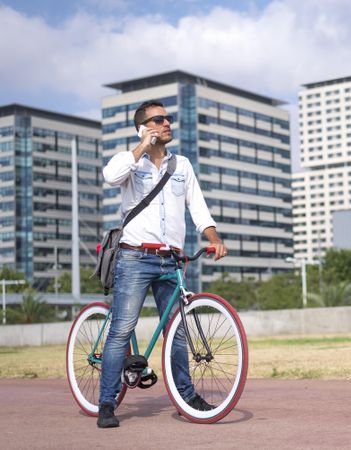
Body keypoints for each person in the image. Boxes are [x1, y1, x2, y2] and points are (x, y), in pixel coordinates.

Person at [97, 100, 228, 428]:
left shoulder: (181, 165)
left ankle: (186, 396)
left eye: (168, 118)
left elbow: (198, 208)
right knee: (121, 330)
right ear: (144, 127)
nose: (167, 123)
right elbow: (110, 176)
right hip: (134, 257)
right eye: (159, 119)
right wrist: (142, 145)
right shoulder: (130, 163)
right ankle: (107, 403)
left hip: (170, 260)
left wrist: (213, 238)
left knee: (178, 332)